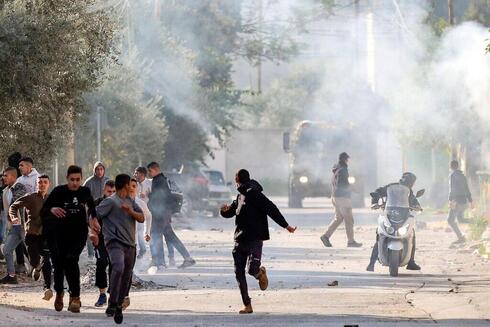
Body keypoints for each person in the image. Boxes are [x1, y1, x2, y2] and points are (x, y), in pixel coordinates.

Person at [221, 169, 297, 314]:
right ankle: (247, 305)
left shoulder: (256, 195)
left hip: (255, 239)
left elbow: (272, 209)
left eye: (236, 180)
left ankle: (260, 273)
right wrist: (223, 211)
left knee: (252, 270)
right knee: (239, 272)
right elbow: (231, 212)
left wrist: (285, 226)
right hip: (240, 239)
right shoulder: (239, 197)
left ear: (237, 180)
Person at [41, 165, 100, 313]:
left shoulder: (85, 191)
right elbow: (43, 210)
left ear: (81, 179)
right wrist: (52, 209)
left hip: (79, 234)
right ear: (67, 179)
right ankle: (59, 293)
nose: (75, 183)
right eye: (72, 180)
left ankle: (75, 297)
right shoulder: (58, 191)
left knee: (71, 259)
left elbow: (91, 208)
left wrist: (94, 220)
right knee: (59, 265)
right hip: (60, 234)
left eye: (78, 180)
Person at [95, 174, 144, 324]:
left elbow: (142, 218)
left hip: (130, 244)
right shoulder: (111, 202)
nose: (132, 186)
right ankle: (113, 301)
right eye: (130, 184)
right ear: (126, 185)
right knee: (118, 266)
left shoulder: (131, 201)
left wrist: (130, 212)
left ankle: (118, 304)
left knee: (126, 275)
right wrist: (93, 230)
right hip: (114, 242)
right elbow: (94, 213)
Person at [8, 175, 53, 300]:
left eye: (45, 182)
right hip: (32, 234)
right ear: (37, 184)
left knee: (47, 259)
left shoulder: (52, 199)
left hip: (45, 235)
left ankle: (47, 288)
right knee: (35, 260)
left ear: (49, 184)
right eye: (40, 182)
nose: (42, 184)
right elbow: (14, 206)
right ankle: (36, 267)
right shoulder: (31, 197)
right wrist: (14, 217)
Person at [366, 172, 421, 272]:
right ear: (411, 182)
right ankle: (371, 263)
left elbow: (414, 201)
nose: (412, 184)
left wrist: (418, 206)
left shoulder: (409, 192)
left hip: (403, 216)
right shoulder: (391, 187)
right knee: (380, 234)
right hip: (389, 215)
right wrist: (375, 202)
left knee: (411, 234)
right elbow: (378, 192)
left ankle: (411, 261)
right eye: (412, 182)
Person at [147, 162, 195, 273]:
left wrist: (149, 198)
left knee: (156, 236)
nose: (149, 173)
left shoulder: (158, 181)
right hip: (165, 213)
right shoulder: (164, 180)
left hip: (160, 214)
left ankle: (160, 263)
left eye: (149, 171)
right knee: (170, 236)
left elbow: (158, 199)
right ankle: (188, 258)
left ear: (154, 169)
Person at [320, 152, 362, 248]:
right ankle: (351, 242)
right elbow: (342, 184)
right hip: (343, 198)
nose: (349, 161)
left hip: (335, 197)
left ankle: (325, 236)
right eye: (348, 159)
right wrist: (353, 188)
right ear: (345, 159)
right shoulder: (343, 170)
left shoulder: (337, 169)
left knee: (338, 218)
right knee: (349, 220)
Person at [0, 167, 28, 284]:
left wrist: (11, 213)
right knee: (7, 250)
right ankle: (12, 276)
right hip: (14, 227)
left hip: (23, 225)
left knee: (33, 249)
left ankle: (49, 270)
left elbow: (18, 200)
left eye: (5, 175)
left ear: (12, 176)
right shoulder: (5, 191)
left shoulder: (20, 186)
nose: (3, 177)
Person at [92, 180, 116, 308]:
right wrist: (92, 234)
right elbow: (89, 219)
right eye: (109, 191)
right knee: (101, 263)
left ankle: (113, 294)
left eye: (113, 192)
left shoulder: (119, 203)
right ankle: (102, 295)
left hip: (115, 240)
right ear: (104, 191)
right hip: (100, 239)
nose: (111, 194)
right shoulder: (97, 203)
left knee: (114, 265)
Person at [83, 161, 110, 259]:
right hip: (92, 210)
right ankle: (91, 254)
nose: (99, 171)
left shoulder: (108, 180)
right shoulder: (89, 182)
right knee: (91, 231)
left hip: (106, 211)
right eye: (97, 169)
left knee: (104, 231)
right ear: (94, 170)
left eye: (101, 169)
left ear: (104, 170)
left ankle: (104, 252)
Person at [448, 160, 472, 244]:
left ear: (451, 166)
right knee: (460, 219)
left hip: (457, 201)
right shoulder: (462, 175)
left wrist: (450, 199)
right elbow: (467, 188)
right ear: (457, 166)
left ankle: (461, 237)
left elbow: (452, 189)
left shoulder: (453, 175)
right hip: (463, 201)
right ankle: (476, 221)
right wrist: (470, 199)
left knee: (450, 220)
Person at [133, 166, 152, 259]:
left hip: (148, 210)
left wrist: (147, 195)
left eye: (136, 173)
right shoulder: (134, 184)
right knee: (138, 231)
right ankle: (141, 250)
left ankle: (145, 251)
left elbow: (156, 196)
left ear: (142, 174)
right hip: (137, 212)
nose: (134, 175)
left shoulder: (150, 183)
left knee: (146, 232)